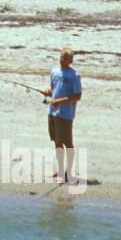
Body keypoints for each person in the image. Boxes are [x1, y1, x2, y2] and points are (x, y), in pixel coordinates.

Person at [39, 48, 83, 184]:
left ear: (71, 60)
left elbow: (77, 96)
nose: (63, 60)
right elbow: (54, 90)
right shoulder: (54, 72)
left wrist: (60, 101)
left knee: (67, 142)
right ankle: (60, 170)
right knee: (57, 142)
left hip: (66, 114)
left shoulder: (74, 75)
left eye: (66, 58)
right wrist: (48, 92)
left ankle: (68, 172)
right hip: (52, 112)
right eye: (61, 57)